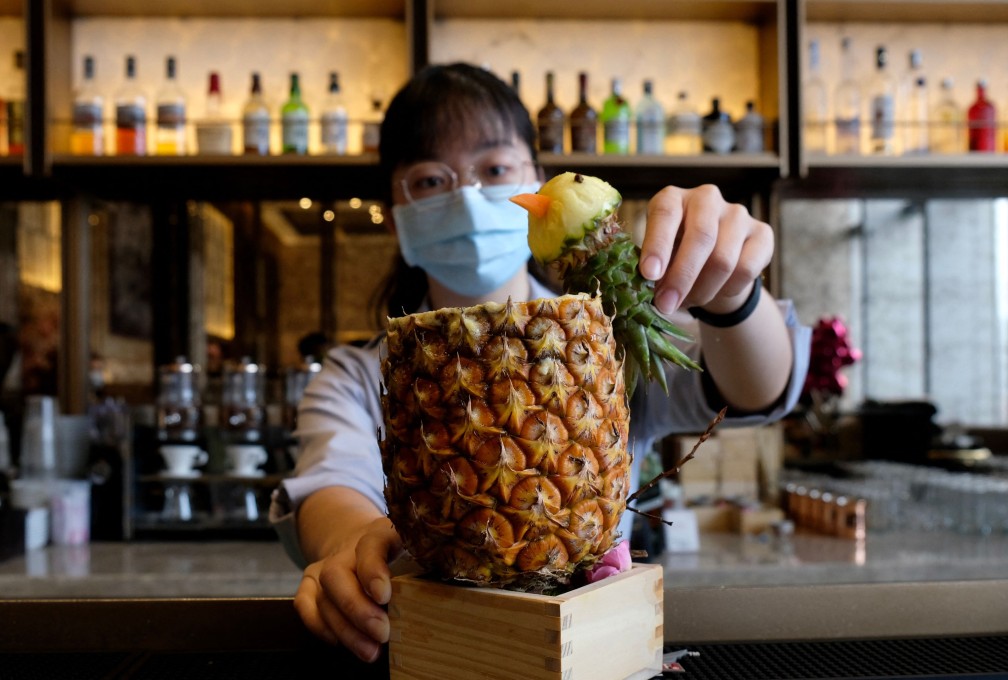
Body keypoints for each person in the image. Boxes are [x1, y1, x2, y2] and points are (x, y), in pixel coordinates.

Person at [269, 62, 811, 663]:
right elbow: (330, 481)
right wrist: (351, 538)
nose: (467, 195)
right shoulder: (359, 371)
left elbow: (757, 389)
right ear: (394, 212)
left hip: (593, 652)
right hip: (442, 653)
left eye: (496, 169)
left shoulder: (602, 336)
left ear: (539, 181)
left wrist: (733, 295)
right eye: (429, 180)